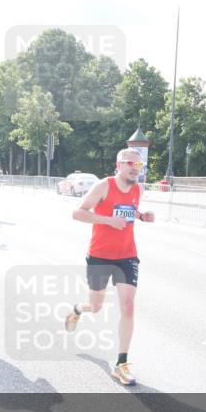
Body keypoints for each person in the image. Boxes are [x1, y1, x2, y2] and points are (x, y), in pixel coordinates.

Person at [64, 148, 155, 386]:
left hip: (127, 256)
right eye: (130, 164)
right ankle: (77, 310)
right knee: (95, 306)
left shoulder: (138, 189)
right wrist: (107, 220)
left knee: (128, 306)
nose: (135, 169)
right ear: (118, 165)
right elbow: (77, 213)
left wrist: (142, 215)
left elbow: (129, 209)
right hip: (100, 256)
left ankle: (121, 363)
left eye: (138, 165)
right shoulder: (104, 186)